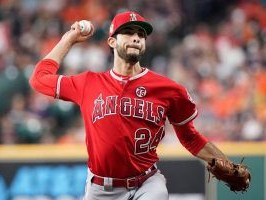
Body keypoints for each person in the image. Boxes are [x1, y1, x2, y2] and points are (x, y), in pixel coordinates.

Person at [29, 11, 229, 200]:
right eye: (128, 32)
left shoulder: (168, 89)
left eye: (141, 35)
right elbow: (39, 79)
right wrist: (68, 40)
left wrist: (224, 163)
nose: (136, 38)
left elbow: (190, 137)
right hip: (101, 188)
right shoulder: (88, 83)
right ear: (112, 41)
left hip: (148, 183)